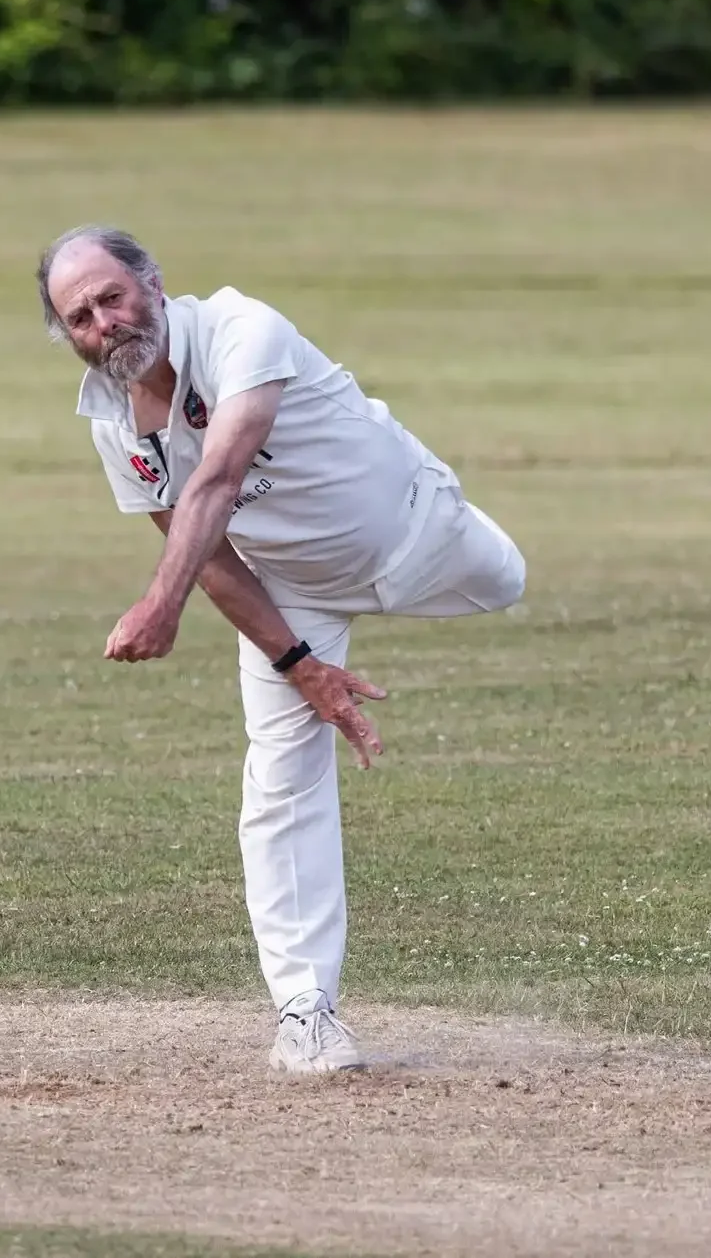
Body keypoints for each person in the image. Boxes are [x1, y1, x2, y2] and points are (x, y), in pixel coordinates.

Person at [37, 227, 527, 1073]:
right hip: (291, 589)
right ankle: (306, 1014)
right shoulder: (111, 420)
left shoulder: (241, 329)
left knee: (510, 577)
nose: (104, 323)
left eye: (112, 296)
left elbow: (220, 479)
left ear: (152, 282)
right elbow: (212, 554)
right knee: (280, 776)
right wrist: (300, 662)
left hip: (413, 530)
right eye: (79, 317)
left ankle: (405, 456)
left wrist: (161, 603)